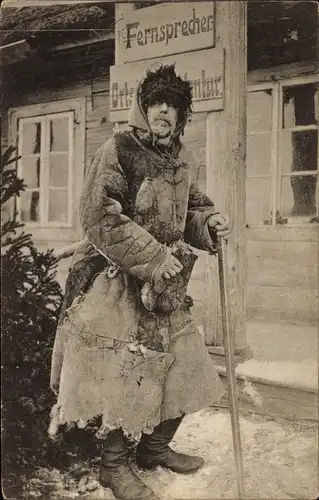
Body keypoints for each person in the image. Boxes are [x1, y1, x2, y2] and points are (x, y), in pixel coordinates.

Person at [49, 64, 229, 500]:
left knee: (189, 365)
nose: (165, 111)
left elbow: (189, 211)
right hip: (118, 281)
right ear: (144, 108)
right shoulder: (118, 148)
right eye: (157, 103)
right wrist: (152, 258)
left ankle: (153, 448)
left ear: (182, 116)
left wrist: (210, 223)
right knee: (127, 372)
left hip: (166, 288)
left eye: (174, 106)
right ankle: (112, 466)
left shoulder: (181, 160)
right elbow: (99, 216)